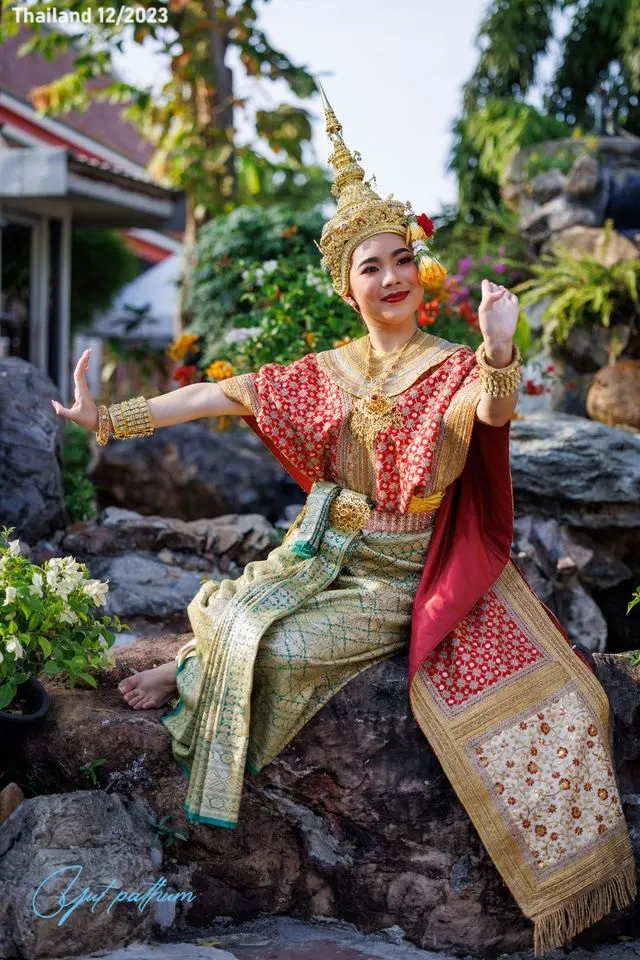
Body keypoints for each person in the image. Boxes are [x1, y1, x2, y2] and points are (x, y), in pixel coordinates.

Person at [51, 87, 636, 955]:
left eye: (403, 259)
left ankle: (194, 671)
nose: (394, 276)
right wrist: (114, 421)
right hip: (323, 544)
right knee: (239, 602)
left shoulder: (450, 366)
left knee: (278, 644)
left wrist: (502, 349)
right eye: (373, 266)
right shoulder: (326, 369)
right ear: (347, 284)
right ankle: (190, 663)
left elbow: (496, 414)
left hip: (403, 571)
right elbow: (226, 391)